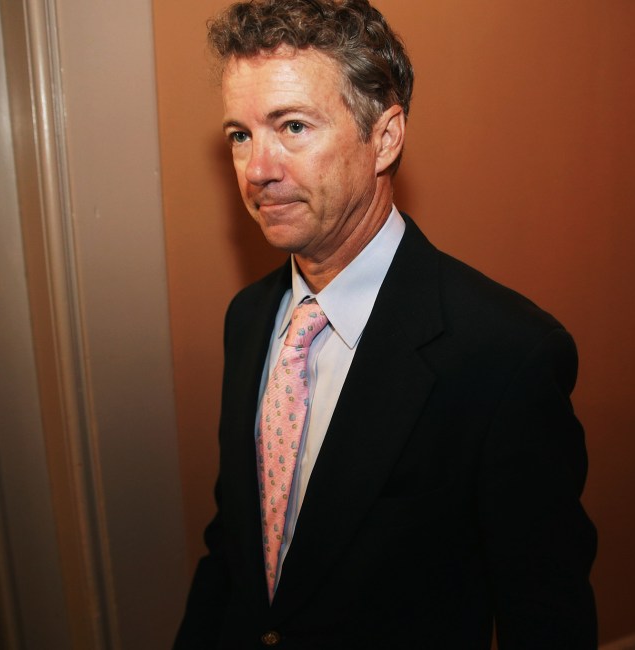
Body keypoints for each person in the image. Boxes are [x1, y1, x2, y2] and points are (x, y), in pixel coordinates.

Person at [175, 0, 597, 647]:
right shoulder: (249, 319)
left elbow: (544, 618)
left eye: (292, 126)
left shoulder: (504, 359)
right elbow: (232, 543)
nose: (256, 169)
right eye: (240, 134)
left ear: (386, 137)